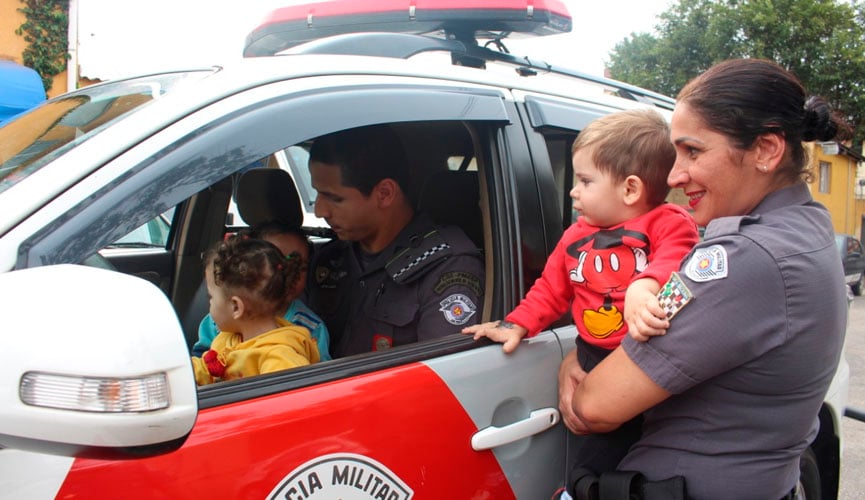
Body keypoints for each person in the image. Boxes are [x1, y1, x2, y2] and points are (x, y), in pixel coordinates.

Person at [561, 58, 849, 500]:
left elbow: (595, 405)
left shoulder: (742, 257)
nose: (675, 175)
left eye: (693, 151)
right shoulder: (808, 224)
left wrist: (571, 361)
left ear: (766, 150)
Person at [462, 108, 699, 477]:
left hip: (645, 359)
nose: (573, 191)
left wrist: (644, 286)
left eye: (586, 181)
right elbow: (551, 289)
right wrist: (517, 324)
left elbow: (674, 260)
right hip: (592, 356)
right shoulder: (575, 236)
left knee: (653, 457)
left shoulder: (669, 223)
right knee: (595, 461)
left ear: (631, 188)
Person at [304, 124, 485, 357]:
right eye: (317, 193)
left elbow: (440, 376)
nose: (319, 211)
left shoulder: (447, 268)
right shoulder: (329, 260)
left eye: (334, 198)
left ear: (385, 193)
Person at [192, 222, 331, 361]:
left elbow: (325, 377)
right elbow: (202, 363)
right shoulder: (219, 322)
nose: (290, 274)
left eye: (301, 267)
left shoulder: (310, 328)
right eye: (276, 266)